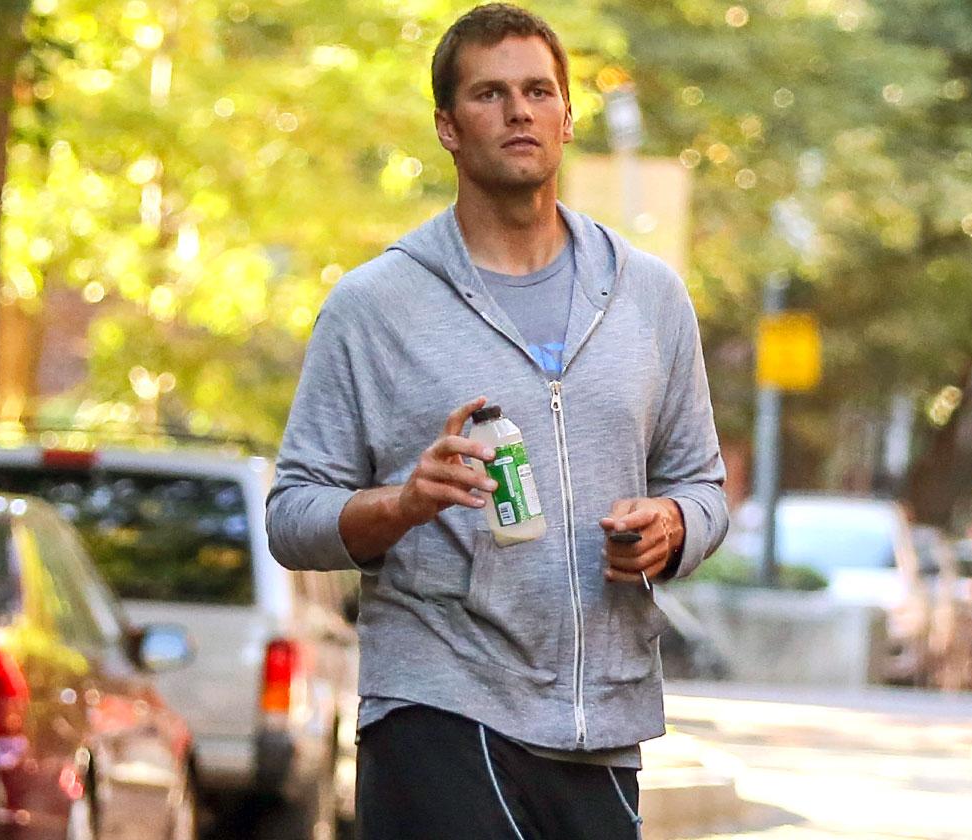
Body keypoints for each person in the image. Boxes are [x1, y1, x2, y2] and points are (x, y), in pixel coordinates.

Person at [264, 5, 728, 838]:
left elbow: (702, 484)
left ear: (567, 117)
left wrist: (672, 524)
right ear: (448, 126)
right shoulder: (376, 306)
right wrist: (404, 504)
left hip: (602, 718)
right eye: (490, 93)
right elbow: (293, 517)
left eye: (538, 91)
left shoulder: (648, 296)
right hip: (439, 701)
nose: (519, 110)